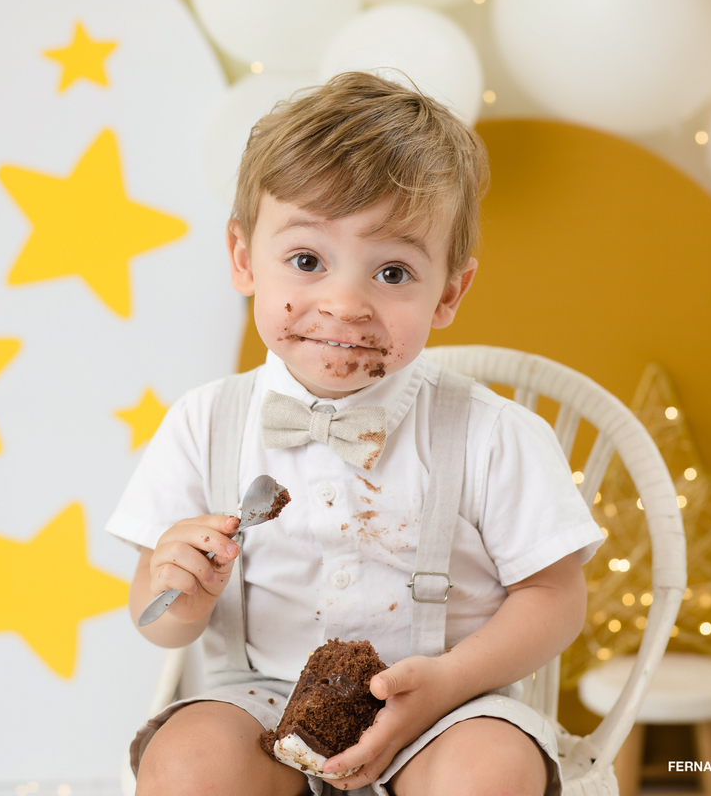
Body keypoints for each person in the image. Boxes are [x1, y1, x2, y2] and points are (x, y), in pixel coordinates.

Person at [106, 71, 604, 796]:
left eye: (393, 272)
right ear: (244, 259)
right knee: (187, 761)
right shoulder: (204, 423)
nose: (344, 303)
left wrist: (448, 681)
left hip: (448, 708)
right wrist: (180, 592)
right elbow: (160, 627)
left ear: (449, 292)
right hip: (261, 700)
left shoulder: (495, 434)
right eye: (307, 261)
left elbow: (555, 596)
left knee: (488, 770)